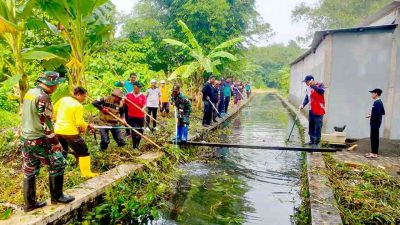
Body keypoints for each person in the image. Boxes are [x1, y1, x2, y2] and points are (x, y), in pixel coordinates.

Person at [20, 71, 74, 212]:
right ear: (51, 84)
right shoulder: (44, 97)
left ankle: (30, 204)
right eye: (56, 84)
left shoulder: (30, 92)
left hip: (26, 138)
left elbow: (25, 113)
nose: (56, 87)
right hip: (40, 139)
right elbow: (46, 122)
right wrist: (56, 142)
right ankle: (57, 197)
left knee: (30, 169)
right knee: (58, 162)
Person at [54, 87, 97, 178]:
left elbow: (54, 111)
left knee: (62, 151)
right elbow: (79, 123)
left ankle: (59, 172)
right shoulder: (78, 106)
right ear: (78, 95)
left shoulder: (63, 99)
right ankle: (86, 173)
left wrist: (56, 121)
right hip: (70, 132)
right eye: (84, 96)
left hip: (58, 130)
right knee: (83, 151)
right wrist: (88, 125)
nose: (84, 98)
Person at [299, 75, 325, 147]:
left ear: (311, 80)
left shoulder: (320, 85)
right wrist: (302, 105)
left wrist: (313, 85)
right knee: (311, 125)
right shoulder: (308, 89)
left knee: (318, 125)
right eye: (305, 82)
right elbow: (307, 98)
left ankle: (316, 143)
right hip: (311, 109)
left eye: (306, 82)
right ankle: (312, 141)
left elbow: (321, 91)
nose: (306, 83)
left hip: (319, 109)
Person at [125, 81, 147, 149]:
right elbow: (124, 104)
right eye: (138, 87)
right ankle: (134, 146)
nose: (139, 88)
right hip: (132, 117)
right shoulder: (128, 95)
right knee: (134, 130)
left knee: (141, 131)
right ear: (134, 87)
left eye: (140, 87)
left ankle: (137, 144)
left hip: (140, 116)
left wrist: (143, 108)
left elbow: (145, 104)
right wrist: (123, 100)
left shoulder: (142, 96)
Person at [115, 72, 137, 137]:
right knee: (126, 117)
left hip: (134, 103)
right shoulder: (126, 83)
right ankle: (127, 131)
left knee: (133, 118)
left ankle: (134, 131)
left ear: (136, 78)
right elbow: (115, 84)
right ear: (130, 78)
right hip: (126, 103)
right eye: (132, 77)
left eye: (134, 78)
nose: (133, 79)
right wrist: (120, 82)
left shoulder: (137, 84)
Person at [365, 88, 385, 158]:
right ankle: (373, 152)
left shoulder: (376, 102)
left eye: (372, 93)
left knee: (374, 138)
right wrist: (372, 114)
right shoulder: (380, 102)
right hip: (377, 122)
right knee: (374, 138)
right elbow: (382, 112)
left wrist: (370, 115)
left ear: (376, 94)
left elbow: (378, 113)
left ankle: (374, 153)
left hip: (375, 123)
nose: (371, 94)